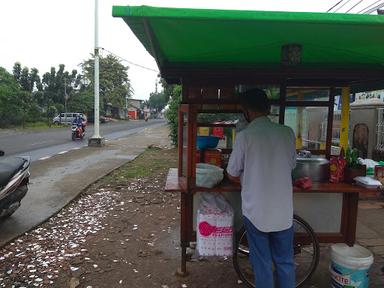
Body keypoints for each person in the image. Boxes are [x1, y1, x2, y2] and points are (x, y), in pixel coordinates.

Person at [226, 88, 296, 288]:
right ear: (267, 108)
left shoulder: (245, 136)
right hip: (283, 213)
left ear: (246, 111)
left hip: (256, 213)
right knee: (285, 262)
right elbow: (291, 166)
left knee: (262, 264)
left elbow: (231, 174)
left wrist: (251, 179)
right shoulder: (286, 133)